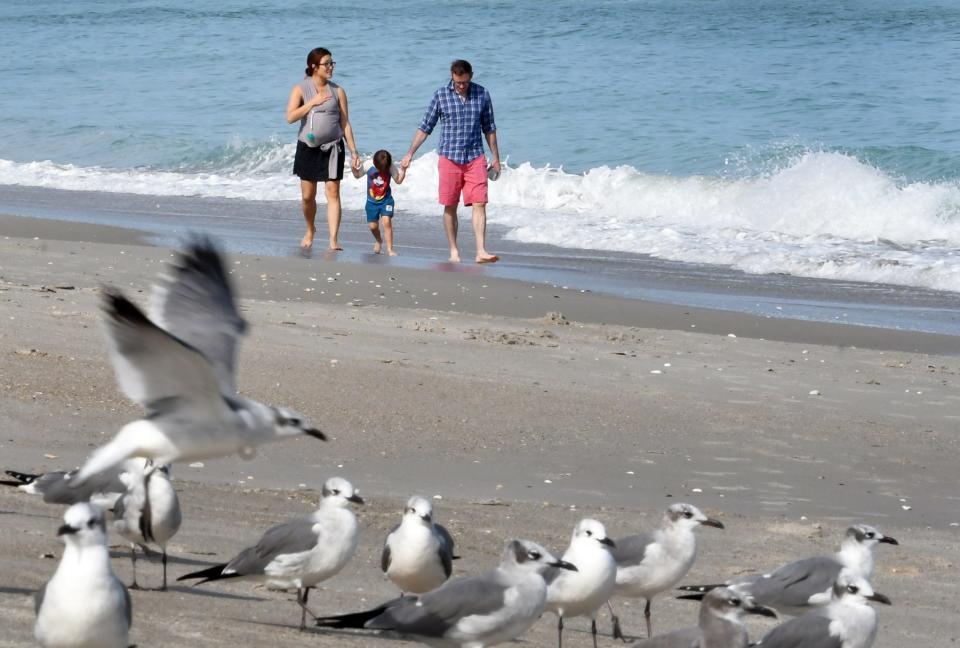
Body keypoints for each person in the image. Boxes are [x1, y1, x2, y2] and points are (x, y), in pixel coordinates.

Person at [401, 59, 501, 264]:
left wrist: (496, 158)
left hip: (475, 157)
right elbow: (425, 127)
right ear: (452, 77)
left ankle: (481, 250)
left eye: (464, 82)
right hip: (449, 157)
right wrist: (410, 153)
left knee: (480, 203)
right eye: (457, 82)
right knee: (450, 205)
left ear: (471, 76)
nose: (461, 86)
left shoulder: (482, 94)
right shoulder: (440, 95)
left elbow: (489, 128)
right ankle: (454, 251)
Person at [286, 47, 361, 250]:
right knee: (307, 197)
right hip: (308, 148)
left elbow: (345, 123)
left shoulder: (338, 91)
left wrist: (354, 151)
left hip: (333, 148)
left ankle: (333, 240)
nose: (330, 67)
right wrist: (312, 102)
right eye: (326, 64)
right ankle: (310, 229)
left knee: (333, 192)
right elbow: (290, 117)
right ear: (314, 66)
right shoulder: (300, 89)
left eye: (331, 63)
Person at [352, 149, 406, 255]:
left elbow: (398, 181)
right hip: (371, 202)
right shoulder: (368, 165)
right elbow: (357, 175)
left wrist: (403, 170)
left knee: (387, 222)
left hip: (386, 200)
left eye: (384, 170)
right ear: (374, 163)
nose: (382, 171)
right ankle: (378, 240)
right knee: (373, 226)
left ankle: (390, 249)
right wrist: (353, 168)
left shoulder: (390, 166)